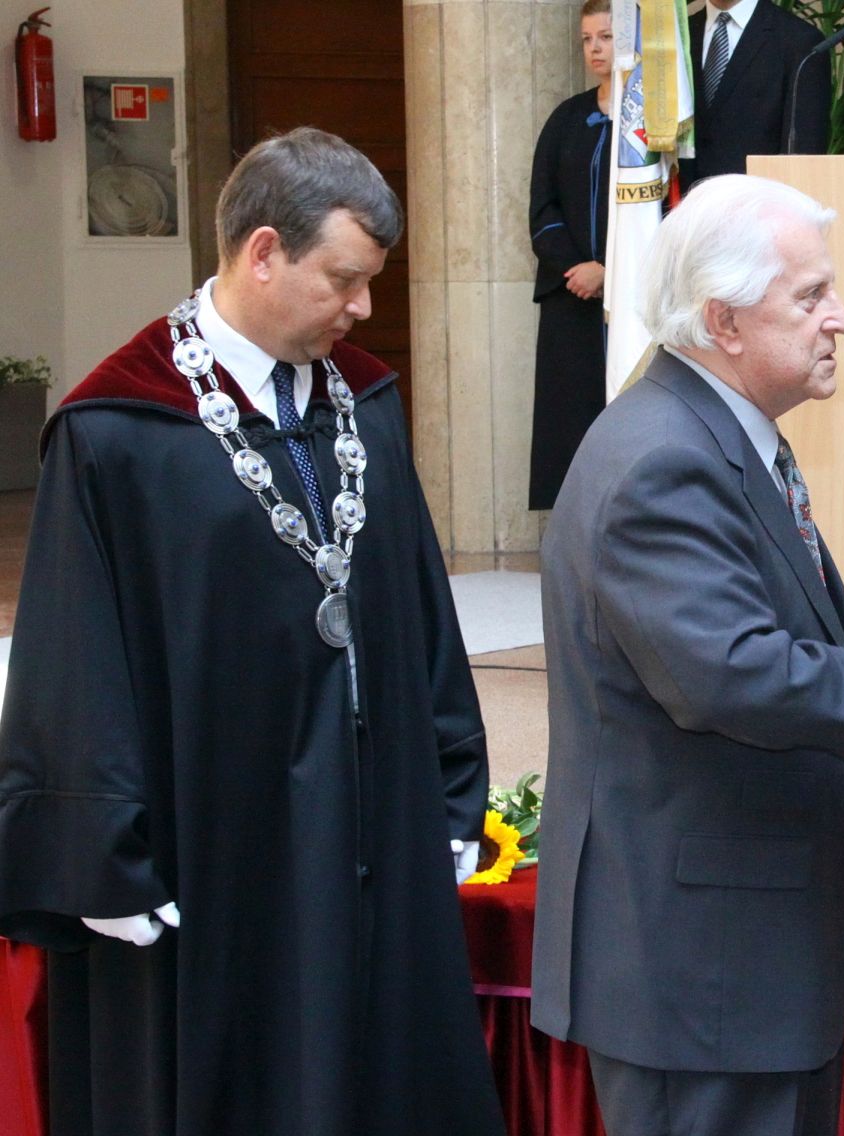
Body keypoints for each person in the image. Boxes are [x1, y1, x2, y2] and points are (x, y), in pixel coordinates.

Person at [0, 128, 505, 1136]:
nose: (363, 307)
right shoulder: (118, 428)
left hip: (370, 823)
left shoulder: (364, 400)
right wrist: (97, 851)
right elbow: (73, 661)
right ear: (264, 251)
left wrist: (451, 783)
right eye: (345, 280)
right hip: (215, 848)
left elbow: (417, 606)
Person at [529, 173, 844, 1136]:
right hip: (700, 972)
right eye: (810, 295)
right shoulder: (665, 457)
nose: (839, 318)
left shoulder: (717, 432)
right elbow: (730, 672)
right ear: (723, 321)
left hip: (743, 957)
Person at [527, 0, 615, 509]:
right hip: (572, 296)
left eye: (606, 36)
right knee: (570, 424)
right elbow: (543, 209)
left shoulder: (656, 124)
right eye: (587, 39)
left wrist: (613, 272)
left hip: (632, 300)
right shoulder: (566, 118)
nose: (595, 49)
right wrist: (577, 269)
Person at [686, 0, 830, 184]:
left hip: (758, 196)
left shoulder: (800, 41)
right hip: (682, 197)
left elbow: (805, 152)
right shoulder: (677, 36)